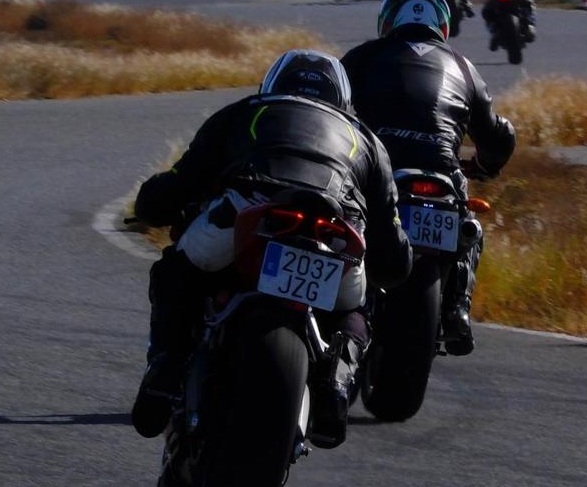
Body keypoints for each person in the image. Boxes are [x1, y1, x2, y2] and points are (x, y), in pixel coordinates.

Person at [129, 49, 411, 448]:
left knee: (175, 269)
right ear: (343, 99)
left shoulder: (244, 111)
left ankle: (166, 367)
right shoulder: (369, 143)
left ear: (273, 84)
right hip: (335, 234)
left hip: (250, 212)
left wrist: (150, 205)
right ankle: (336, 383)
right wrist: (391, 264)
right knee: (359, 306)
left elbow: (180, 181)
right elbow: (394, 251)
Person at [340, 0, 516, 355]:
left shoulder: (362, 57)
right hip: (441, 169)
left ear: (388, 21)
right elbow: (499, 134)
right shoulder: (465, 68)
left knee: (344, 213)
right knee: (471, 227)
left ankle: (341, 295)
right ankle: (457, 309)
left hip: (381, 165)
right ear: (443, 25)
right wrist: (485, 165)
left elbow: (329, 110)